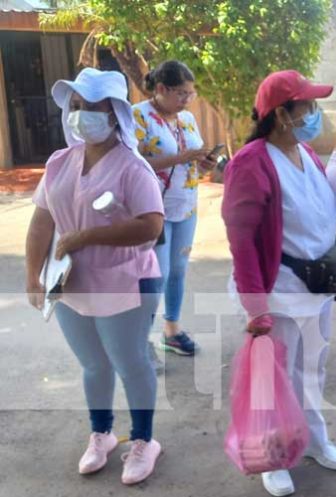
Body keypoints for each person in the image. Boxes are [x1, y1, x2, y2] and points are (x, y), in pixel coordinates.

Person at [221, 70, 336, 497]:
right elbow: (241, 238)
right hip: (277, 289)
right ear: (282, 114)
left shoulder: (309, 155)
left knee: (312, 369)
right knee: (272, 374)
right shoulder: (252, 162)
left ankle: (313, 439)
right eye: (308, 107)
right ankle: (272, 454)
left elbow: (313, 221)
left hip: (316, 287)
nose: (315, 114)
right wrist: (255, 307)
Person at [25, 68, 164, 484]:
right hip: (71, 283)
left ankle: (143, 440)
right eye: (77, 106)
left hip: (126, 283)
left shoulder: (132, 168)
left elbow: (151, 227)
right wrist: (33, 273)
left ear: (115, 114)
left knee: (131, 363)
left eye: (93, 108)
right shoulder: (59, 163)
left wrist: (86, 236)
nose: (82, 115)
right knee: (92, 365)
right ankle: (101, 433)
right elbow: (41, 222)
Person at [133, 60, 216, 358]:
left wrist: (204, 160)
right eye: (181, 94)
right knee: (157, 274)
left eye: (190, 95)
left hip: (186, 206)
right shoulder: (137, 117)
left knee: (178, 270)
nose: (186, 100)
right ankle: (140, 340)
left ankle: (172, 331)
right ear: (161, 89)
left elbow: (192, 154)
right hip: (152, 210)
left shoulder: (187, 119)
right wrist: (181, 158)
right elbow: (132, 165)